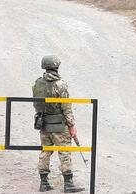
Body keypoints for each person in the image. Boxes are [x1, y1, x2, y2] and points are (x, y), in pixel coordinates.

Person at [33, 55, 85, 192]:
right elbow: (66, 107)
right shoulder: (60, 84)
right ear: (56, 66)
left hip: (43, 123)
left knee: (45, 151)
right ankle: (68, 184)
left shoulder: (38, 83)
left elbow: (36, 104)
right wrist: (72, 125)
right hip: (59, 125)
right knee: (64, 152)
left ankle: (43, 183)